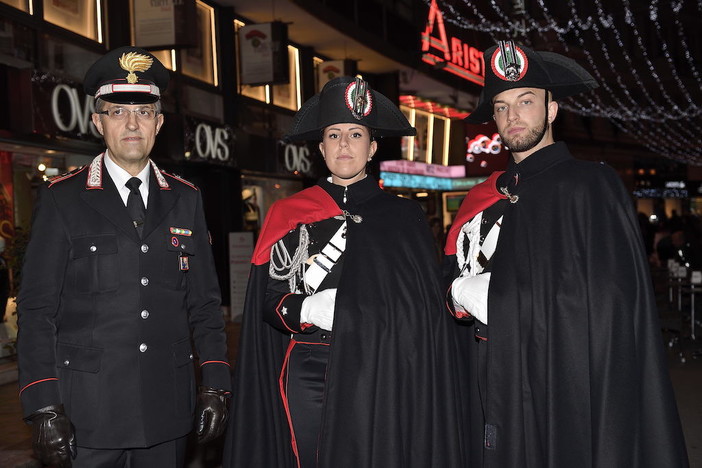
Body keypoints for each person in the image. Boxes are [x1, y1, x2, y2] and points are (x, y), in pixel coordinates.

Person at [444, 41, 689, 467]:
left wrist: (503, 299)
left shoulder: (589, 186)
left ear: (552, 110)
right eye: (501, 106)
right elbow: (448, 278)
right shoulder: (481, 199)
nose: (512, 115)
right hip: (481, 367)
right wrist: (457, 295)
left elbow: (608, 303)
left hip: (557, 376)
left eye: (525, 101)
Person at [223, 76, 466, 468]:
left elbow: (423, 314)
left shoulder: (404, 217)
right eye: (334, 135)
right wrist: (304, 310)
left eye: (355, 134)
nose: (344, 144)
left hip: (380, 368)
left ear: (372, 148)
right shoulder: (288, 214)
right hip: (308, 368)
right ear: (321, 148)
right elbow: (266, 303)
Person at [16, 46, 231, 468]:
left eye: (145, 112)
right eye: (117, 112)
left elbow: (205, 305)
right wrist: (43, 406)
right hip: (87, 415)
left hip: (167, 410)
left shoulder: (186, 199)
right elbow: (37, 309)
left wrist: (216, 383)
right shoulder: (64, 198)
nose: (132, 124)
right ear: (98, 122)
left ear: (159, 122)